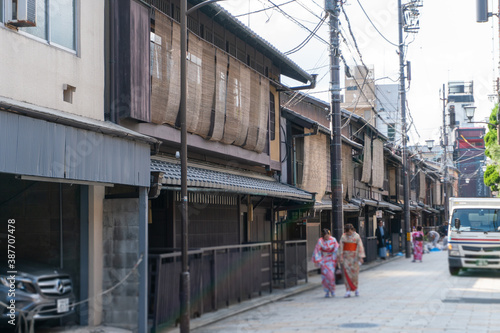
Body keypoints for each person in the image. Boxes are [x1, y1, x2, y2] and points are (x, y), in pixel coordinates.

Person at [339, 224, 365, 298]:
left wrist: (361, 257)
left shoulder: (357, 236)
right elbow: (340, 247)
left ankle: (356, 288)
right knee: (347, 273)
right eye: (347, 232)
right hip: (346, 257)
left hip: (355, 257)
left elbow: (360, 246)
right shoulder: (343, 236)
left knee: (355, 274)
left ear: (352, 230)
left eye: (350, 232)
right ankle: (347, 290)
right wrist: (340, 256)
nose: (349, 234)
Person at [312, 228, 339, 298]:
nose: (327, 237)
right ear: (323, 236)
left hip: (331, 260)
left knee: (331, 276)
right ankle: (327, 291)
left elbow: (336, 249)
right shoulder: (320, 241)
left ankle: (332, 290)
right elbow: (317, 250)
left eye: (328, 235)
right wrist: (317, 260)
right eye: (325, 236)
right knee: (325, 277)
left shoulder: (333, 240)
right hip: (323, 260)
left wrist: (337, 258)